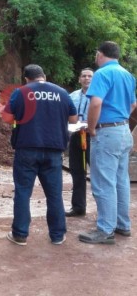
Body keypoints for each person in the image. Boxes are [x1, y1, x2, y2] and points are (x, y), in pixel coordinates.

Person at [1, 64, 77, 246]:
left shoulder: (21, 92)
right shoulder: (62, 93)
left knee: (22, 192)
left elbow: (6, 118)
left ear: (26, 78)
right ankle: (57, 235)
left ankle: (20, 234)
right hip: (54, 151)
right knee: (54, 194)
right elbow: (73, 119)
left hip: (27, 149)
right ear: (44, 75)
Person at [78, 41, 136, 245]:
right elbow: (133, 104)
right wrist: (120, 119)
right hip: (123, 130)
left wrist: (92, 127)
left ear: (100, 54)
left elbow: (95, 103)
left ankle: (105, 229)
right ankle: (122, 224)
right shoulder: (127, 75)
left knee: (103, 182)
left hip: (107, 133)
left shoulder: (102, 74)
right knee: (121, 180)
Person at [66, 68, 94, 217]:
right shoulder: (72, 96)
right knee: (77, 172)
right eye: (84, 76)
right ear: (79, 79)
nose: (87, 78)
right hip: (76, 135)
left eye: (90, 76)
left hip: (93, 136)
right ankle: (78, 207)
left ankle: (103, 210)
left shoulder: (98, 96)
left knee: (96, 173)